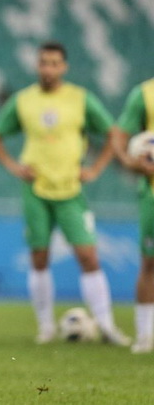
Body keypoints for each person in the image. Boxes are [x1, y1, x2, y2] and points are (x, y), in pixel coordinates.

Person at [0, 41, 130, 346]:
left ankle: (106, 326)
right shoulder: (23, 100)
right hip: (35, 190)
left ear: (64, 67)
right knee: (39, 258)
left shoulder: (80, 99)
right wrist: (14, 166)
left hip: (70, 190)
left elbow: (113, 133)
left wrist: (95, 168)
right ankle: (46, 327)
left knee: (88, 256)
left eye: (54, 63)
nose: (48, 69)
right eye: (43, 63)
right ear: (37, 65)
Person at [113, 78, 154, 353]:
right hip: (152, 192)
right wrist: (130, 162)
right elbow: (119, 134)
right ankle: (145, 335)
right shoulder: (145, 94)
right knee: (150, 263)